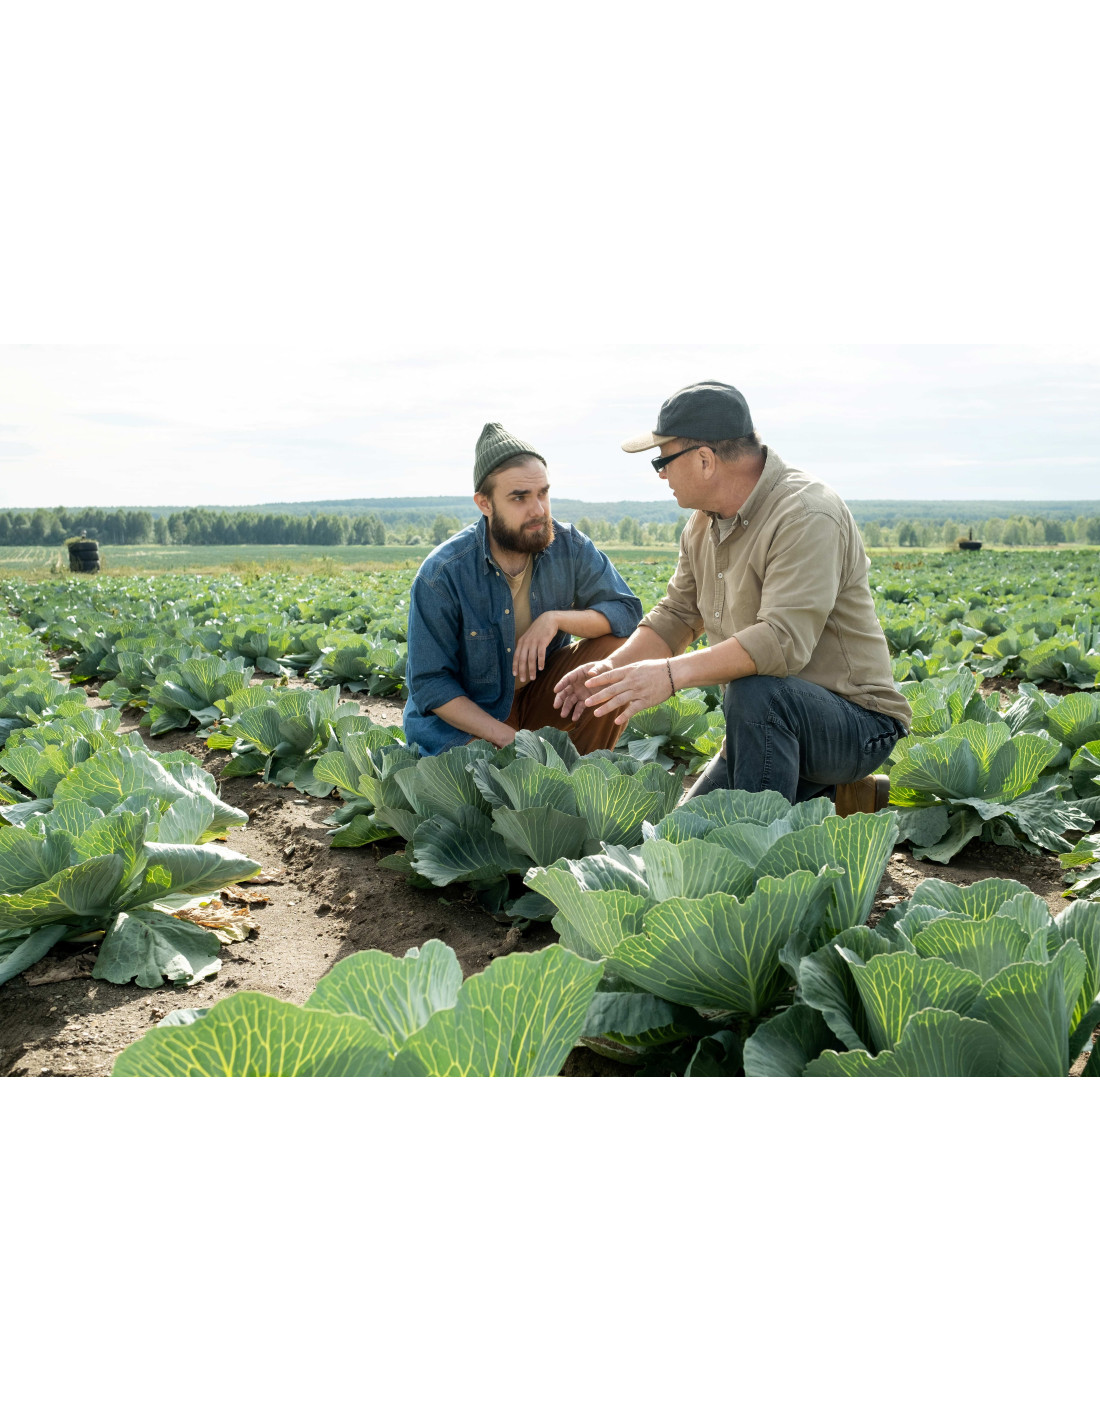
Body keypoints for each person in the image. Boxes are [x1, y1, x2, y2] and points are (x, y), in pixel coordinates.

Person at [552, 381, 912, 813]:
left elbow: (781, 642)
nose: (661, 474)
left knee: (755, 698)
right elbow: (676, 616)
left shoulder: (806, 513)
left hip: (856, 724)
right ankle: (835, 797)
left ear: (705, 460)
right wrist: (609, 670)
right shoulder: (702, 525)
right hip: (764, 722)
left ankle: (779, 833)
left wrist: (669, 675)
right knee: (681, 834)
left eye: (662, 460)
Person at [403, 422, 643, 755]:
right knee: (492, 777)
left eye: (543, 493)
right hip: (472, 716)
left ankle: (586, 768)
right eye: (520, 498)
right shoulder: (443, 573)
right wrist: (506, 738)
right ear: (485, 504)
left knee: (616, 652)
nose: (539, 510)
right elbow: (430, 684)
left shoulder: (569, 545)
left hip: (540, 697)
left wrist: (555, 619)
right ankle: (535, 762)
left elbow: (626, 612)